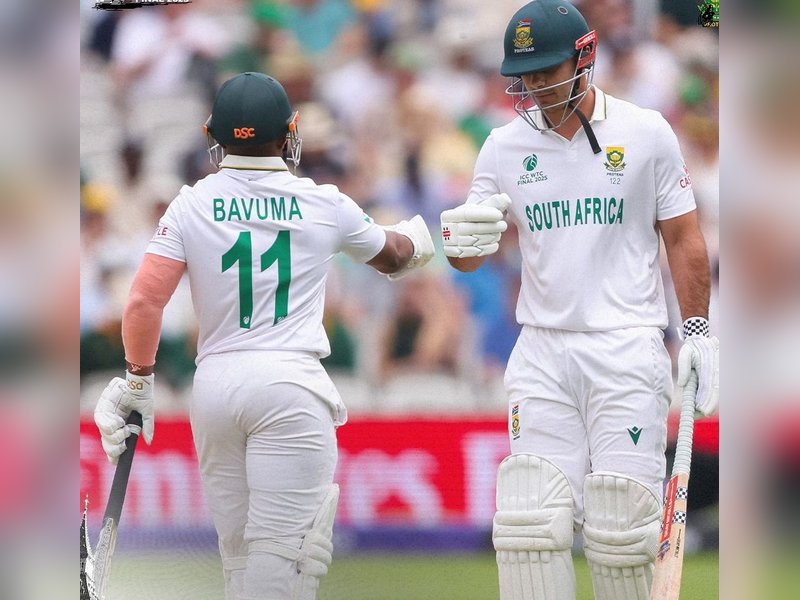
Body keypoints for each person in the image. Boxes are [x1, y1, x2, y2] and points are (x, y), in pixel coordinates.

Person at [92, 71, 434, 600]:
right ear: (290, 131)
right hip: (289, 386)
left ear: (214, 134)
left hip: (217, 387)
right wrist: (430, 234)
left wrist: (138, 380)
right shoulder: (324, 202)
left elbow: (143, 301)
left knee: (240, 565)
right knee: (284, 566)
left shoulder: (191, 202)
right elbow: (394, 256)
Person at [439, 2, 719, 599]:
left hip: (626, 347)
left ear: (584, 56)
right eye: (527, 73)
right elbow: (468, 256)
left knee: (621, 528)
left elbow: (684, 238)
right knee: (527, 526)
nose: (536, 85)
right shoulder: (501, 147)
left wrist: (695, 332)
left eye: (548, 69)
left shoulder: (646, 133)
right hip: (541, 349)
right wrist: (462, 242)